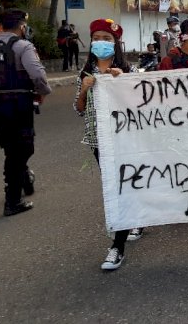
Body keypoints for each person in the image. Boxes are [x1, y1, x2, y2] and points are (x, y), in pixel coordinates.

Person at [73, 18, 139, 270]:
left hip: (125, 139)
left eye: (107, 39)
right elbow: (79, 110)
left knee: (123, 186)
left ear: (116, 43)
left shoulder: (127, 71)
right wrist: (84, 90)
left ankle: (117, 246)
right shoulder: (85, 73)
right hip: (99, 141)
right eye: (97, 38)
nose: (101, 43)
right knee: (114, 187)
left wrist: (121, 83)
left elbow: (139, 104)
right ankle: (131, 224)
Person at [0, 9, 51, 216]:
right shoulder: (23, 46)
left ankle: (23, 181)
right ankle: (13, 200)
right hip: (19, 105)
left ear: (1, 26)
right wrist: (42, 93)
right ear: (22, 26)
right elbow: (38, 75)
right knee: (22, 150)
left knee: (11, 148)